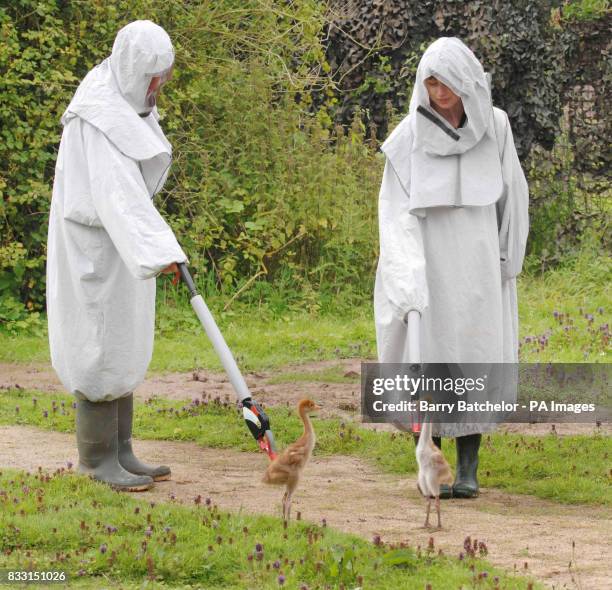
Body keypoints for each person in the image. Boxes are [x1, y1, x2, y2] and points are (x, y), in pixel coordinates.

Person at [374, 37, 529, 498]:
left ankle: (469, 467)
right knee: (431, 357)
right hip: (431, 266)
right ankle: (434, 463)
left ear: (466, 82)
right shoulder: (408, 140)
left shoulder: (496, 129)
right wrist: (406, 278)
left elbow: (512, 196)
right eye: (431, 83)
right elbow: (393, 211)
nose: (439, 93)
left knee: (476, 357)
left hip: (480, 266)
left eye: (447, 83)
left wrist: (507, 256)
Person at [46, 21, 187, 491]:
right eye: (153, 77)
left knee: (123, 341)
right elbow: (117, 194)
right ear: (134, 69)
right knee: (98, 345)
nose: (158, 87)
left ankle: (122, 450)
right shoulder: (99, 114)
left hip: (121, 245)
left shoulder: (127, 101)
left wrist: (150, 246)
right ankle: (97, 459)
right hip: (95, 251)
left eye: (161, 77)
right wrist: (160, 249)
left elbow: (131, 196)